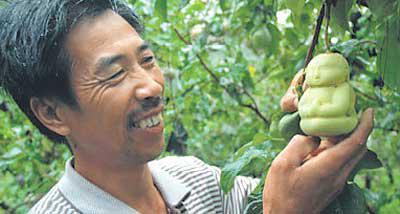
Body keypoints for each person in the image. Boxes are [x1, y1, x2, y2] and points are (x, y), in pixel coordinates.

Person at [0, 0, 374, 213]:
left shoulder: (197, 181)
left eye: (147, 60)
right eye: (114, 75)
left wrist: (306, 121)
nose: (151, 85)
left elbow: (286, 190)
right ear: (52, 113)